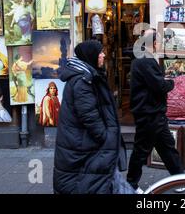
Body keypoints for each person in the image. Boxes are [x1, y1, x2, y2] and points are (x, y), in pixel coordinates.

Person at [54, 40, 133, 194]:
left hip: (82, 144)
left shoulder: (86, 75)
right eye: (100, 52)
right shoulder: (83, 81)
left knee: (103, 181)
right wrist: (105, 137)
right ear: (91, 56)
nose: (103, 55)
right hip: (82, 146)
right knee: (93, 183)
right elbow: (89, 116)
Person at [126, 28, 184, 193]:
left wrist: (161, 81)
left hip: (152, 112)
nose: (161, 44)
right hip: (148, 113)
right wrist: (170, 83)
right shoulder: (145, 60)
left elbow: (153, 82)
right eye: (159, 42)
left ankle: (179, 179)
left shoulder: (144, 59)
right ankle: (131, 184)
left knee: (166, 147)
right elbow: (159, 86)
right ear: (154, 43)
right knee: (141, 150)